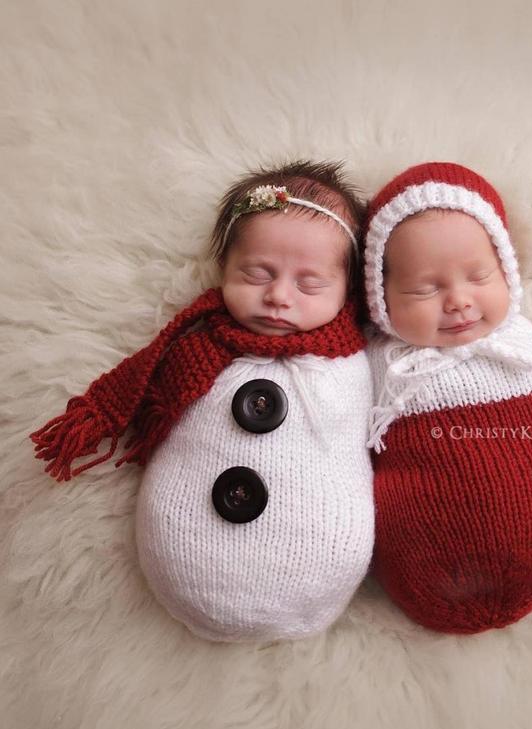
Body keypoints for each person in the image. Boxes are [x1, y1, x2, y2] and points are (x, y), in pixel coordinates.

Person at [30, 160, 375, 643]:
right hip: (182, 550)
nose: (278, 295)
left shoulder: (355, 364)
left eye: (310, 283)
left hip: (321, 560)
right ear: (224, 269)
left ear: (347, 290)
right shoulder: (194, 350)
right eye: (256, 273)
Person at [363, 161, 532, 634]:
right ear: (381, 299)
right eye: (425, 289)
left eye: (479, 276)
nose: (459, 301)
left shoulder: (519, 345)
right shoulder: (386, 365)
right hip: (426, 559)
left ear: (506, 271)